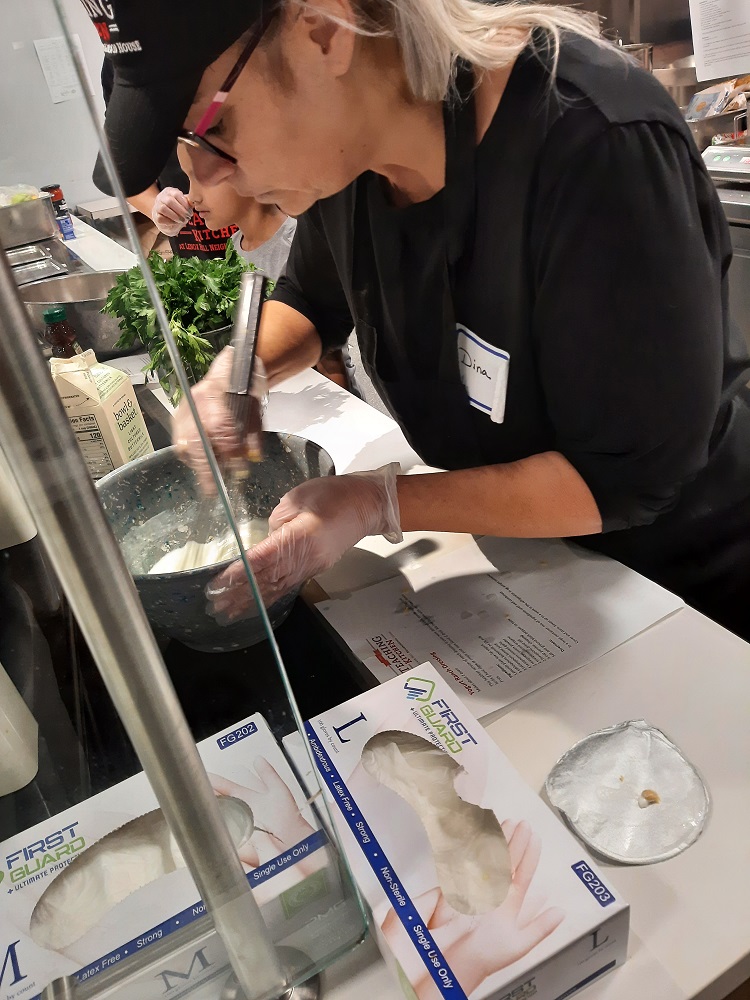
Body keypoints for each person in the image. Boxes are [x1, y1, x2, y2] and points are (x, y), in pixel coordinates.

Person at [86, 0, 750, 641]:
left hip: (685, 590)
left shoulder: (595, 142)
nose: (201, 181)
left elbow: (625, 478)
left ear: (320, 32)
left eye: (212, 134)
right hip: (542, 567)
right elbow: (312, 301)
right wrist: (241, 371)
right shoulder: (351, 159)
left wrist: (378, 504)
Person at [101, 56, 237, 258]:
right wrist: (158, 208)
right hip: (192, 243)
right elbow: (125, 166)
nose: (194, 194)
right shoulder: (120, 61)